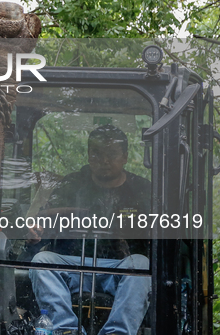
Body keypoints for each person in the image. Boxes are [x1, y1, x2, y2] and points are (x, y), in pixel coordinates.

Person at [28, 124, 151, 335]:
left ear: (125, 157)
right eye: (97, 153)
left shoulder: (142, 190)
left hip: (121, 268)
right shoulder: (71, 185)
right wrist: (35, 231)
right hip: (73, 266)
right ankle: (67, 330)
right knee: (42, 261)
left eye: (111, 154)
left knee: (141, 264)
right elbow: (44, 223)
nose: (104, 161)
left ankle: (116, 333)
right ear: (88, 156)